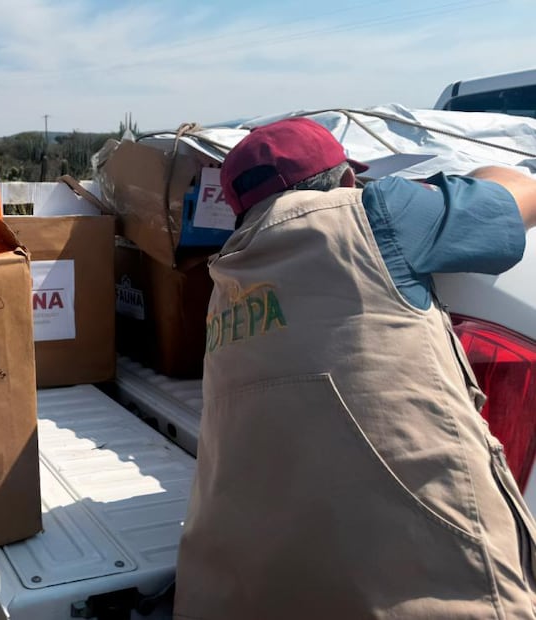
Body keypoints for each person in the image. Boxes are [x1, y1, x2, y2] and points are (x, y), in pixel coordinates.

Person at [174, 117, 536, 619]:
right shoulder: (379, 213)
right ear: (348, 179)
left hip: (248, 591)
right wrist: (450, 189)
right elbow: (521, 192)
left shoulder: (225, 281)